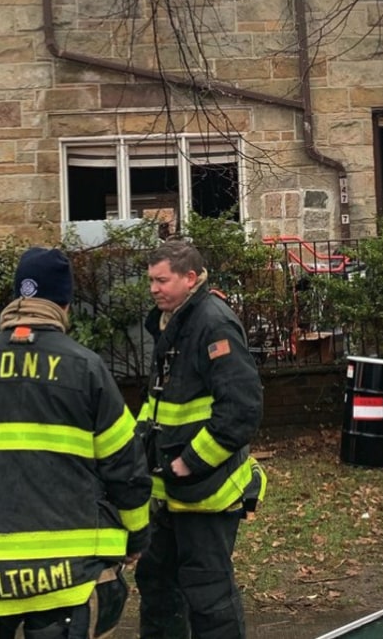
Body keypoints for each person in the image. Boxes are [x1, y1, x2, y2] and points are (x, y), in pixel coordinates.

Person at [0, 247, 152, 638]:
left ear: (17, 297)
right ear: (65, 304)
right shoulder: (86, 368)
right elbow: (127, 466)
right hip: (63, 576)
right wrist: (136, 537)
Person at [135, 240, 266, 639]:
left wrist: (189, 461)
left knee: (208, 593)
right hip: (173, 490)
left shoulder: (213, 323)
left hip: (205, 490)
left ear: (190, 278)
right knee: (156, 580)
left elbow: (241, 408)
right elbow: (161, 403)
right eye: (151, 281)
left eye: (162, 280)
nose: (153, 289)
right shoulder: (174, 321)